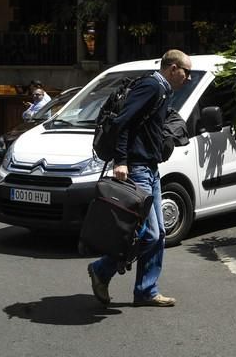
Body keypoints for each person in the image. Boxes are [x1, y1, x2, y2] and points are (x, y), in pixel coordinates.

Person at [87, 49, 192, 307]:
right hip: (136, 169)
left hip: (150, 168)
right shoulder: (152, 86)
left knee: (159, 234)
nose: (188, 78)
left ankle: (146, 290)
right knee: (148, 234)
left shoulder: (163, 90)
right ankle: (101, 269)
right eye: (186, 72)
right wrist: (121, 161)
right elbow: (123, 122)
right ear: (172, 68)